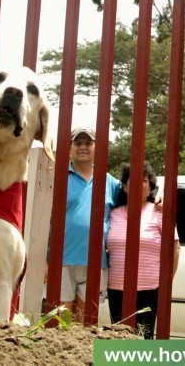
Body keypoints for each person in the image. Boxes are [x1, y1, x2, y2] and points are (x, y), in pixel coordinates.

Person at [106, 161, 180, 339]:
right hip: (116, 289)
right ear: (124, 186)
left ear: (151, 186)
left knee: (143, 339)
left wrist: (167, 280)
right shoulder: (113, 214)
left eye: (144, 180)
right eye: (133, 179)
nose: (139, 183)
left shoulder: (159, 212)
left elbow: (175, 247)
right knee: (119, 339)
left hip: (150, 289)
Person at [59, 127, 121, 318]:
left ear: (97, 148)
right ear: (69, 148)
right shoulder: (58, 177)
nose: (83, 147)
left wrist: (156, 201)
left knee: (85, 325)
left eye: (88, 143)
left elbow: (135, 205)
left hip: (96, 262)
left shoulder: (111, 183)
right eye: (77, 143)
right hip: (61, 261)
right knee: (58, 325)